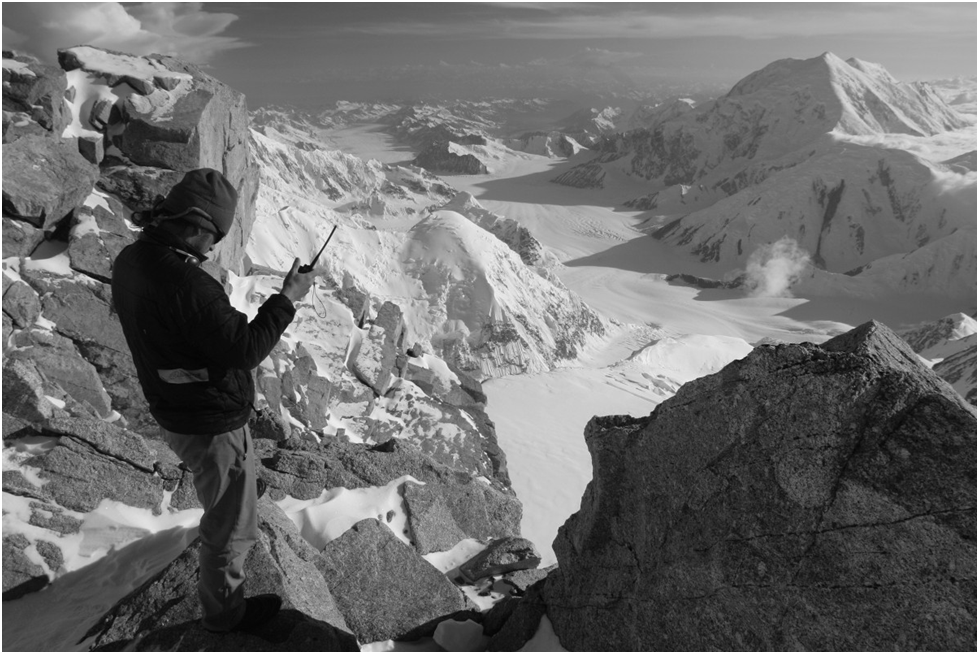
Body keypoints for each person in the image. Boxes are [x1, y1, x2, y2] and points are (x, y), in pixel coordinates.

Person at [111, 168, 316, 633]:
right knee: (231, 525)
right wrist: (286, 298)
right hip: (210, 422)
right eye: (213, 237)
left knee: (223, 507)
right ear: (197, 225)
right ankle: (225, 615)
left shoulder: (131, 258)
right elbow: (244, 350)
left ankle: (223, 599)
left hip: (175, 409)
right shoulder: (189, 284)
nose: (211, 249)